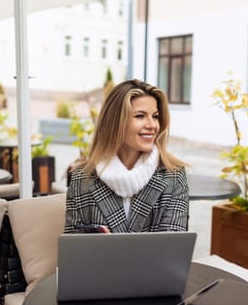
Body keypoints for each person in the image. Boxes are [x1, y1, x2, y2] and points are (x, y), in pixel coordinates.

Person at [64, 79, 189, 233]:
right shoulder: (81, 179)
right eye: (140, 116)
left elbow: (173, 248)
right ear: (115, 122)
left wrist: (114, 248)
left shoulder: (174, 176)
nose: (152, 125)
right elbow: (73, 249)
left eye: (155, 116)